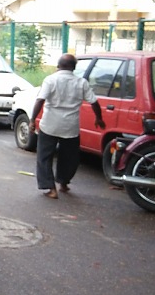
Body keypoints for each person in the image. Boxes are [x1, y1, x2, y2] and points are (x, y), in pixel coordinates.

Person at [30, 53, 105, 199]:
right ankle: (63, 183)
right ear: (74, 67)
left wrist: (33, 120)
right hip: (70, 126)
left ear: (58, 66)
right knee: (69, 157)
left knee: (44, 157)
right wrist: (99, 118)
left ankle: (51, 188)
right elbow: (94, 102)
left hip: (49, 125)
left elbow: (40, 100)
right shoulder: (81, 82)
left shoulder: (50, 80)